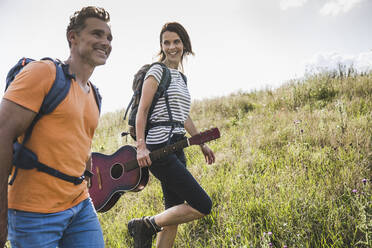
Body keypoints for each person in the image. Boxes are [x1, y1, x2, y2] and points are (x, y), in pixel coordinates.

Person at [0, 6, 112, 248]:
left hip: (80, 207)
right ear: (73, 37)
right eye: (97, 34)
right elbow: (2, 135)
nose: (105, 42)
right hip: (33, 214)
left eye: (108, 37)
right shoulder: (42, 73)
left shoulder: (95, 96)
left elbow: (79, 144)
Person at [127, 22, 215, 248]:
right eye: (166, 42)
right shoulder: (156, 71)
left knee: (172, 215)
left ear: (184, 44)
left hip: (177, 147)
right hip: (159, 147)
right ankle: (144, 225)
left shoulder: (181, 78)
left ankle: (150, 225)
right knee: (202, 205)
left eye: (176, 41)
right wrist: (141, 146)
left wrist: (201, 143)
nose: (171, 47)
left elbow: (183, 116)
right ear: (161, 46)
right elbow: (143, 112)